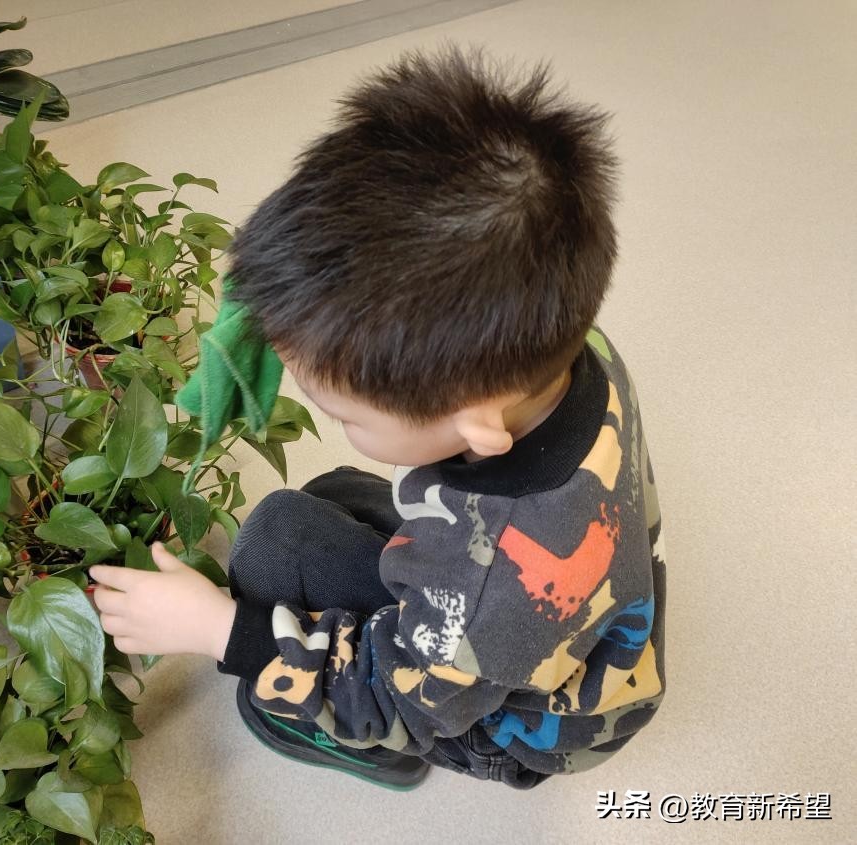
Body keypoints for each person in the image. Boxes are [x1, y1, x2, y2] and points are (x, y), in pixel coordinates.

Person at [90, 47, 666, 791]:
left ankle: (375, 755)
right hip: (538, 618)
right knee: (326, 497)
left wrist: (218, 631)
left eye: (344, 415)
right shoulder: (562, 345)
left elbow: (398, 697)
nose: (333, 421)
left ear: (477, 422)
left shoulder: (493, 594)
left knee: (271, 550)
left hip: (509, 723)